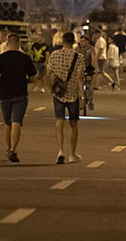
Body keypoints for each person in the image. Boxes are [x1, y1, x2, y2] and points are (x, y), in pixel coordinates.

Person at [0, 33, 37, 163]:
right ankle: (13, 150)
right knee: (17, 122)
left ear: (7, 43)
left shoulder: (1, 58)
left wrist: (2, 78)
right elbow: (34, 78)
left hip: (4, 95)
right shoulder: (25, 58)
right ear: (19, 43)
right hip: (20, 94)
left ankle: (9, 147)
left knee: (7, 123)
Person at [46, 31, 85, 165]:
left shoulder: (54, 55)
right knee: (74, 125)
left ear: (62, 41)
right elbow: (80, 78)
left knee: (59, 122)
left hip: (58, 94)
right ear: (74, 42)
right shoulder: (78, 57)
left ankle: (60, 151)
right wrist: (82, 96)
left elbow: (48, 73)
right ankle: (73, 154)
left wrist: (51, 88)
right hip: (73, 94)